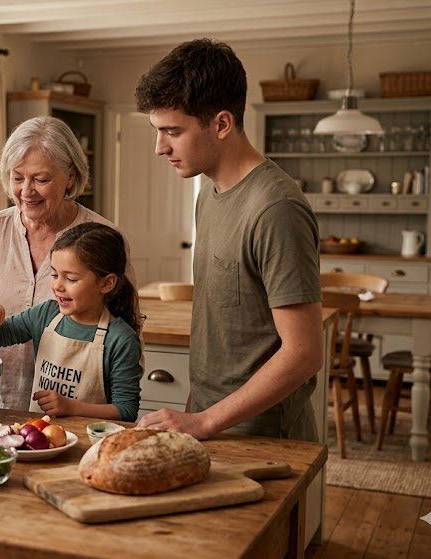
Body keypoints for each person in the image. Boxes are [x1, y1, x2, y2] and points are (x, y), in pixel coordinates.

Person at [133, 38, 323, 440]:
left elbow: (304, 354)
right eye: (157, 131)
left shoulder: (276, 208)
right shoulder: (209, 193)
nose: (159, 148)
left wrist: (204, 421)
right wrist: (193, 412)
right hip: (213, 423)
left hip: (264, 437)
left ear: (221, 124)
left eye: (172, 131)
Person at [0, 116, 139, 411]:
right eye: (17, 177)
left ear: (70, 176)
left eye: (41, 179)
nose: (26, 191)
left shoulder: (103, 237)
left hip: (78, 420)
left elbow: (127, 331)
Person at [0, 222, 142, 421]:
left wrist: (72, 407)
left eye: (70, 278)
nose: (57, 286)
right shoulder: (45, 315)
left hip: (90, 444)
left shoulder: (121, 339)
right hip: (40, 437)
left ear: (106, 283)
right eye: (54, 274)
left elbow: (126, 410)